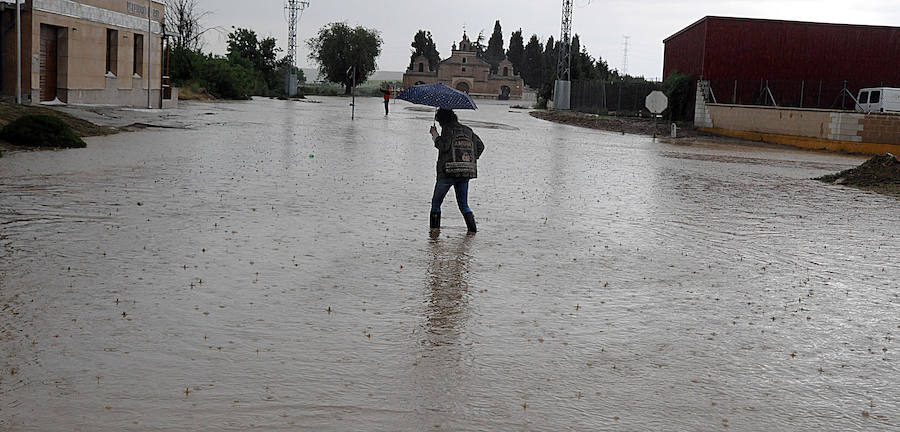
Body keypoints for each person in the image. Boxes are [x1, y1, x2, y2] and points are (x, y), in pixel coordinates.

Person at [429, 108, 485, 233]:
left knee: (436, 203)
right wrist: (470, 158)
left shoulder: (447, 130)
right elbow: (481, 146)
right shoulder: (468, 130)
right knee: (464, 205)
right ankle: (472, 232)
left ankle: (433, 235)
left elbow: (443, 146)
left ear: (442, 120)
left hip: (447, 172)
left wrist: (434, 134)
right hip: (465, 172)